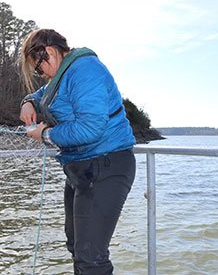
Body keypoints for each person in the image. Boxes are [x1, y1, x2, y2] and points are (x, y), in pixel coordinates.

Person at [19, 29, 136, 275]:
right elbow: (41, 95)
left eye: (38, 69)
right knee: (76, 246)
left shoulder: (84, 70)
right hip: (81, 169)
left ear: (49, 53)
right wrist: (27, 102)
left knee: (91, 258)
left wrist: (46, 135)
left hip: (107, 165)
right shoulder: (60, 77)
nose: (40, 76)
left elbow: (90, 128)